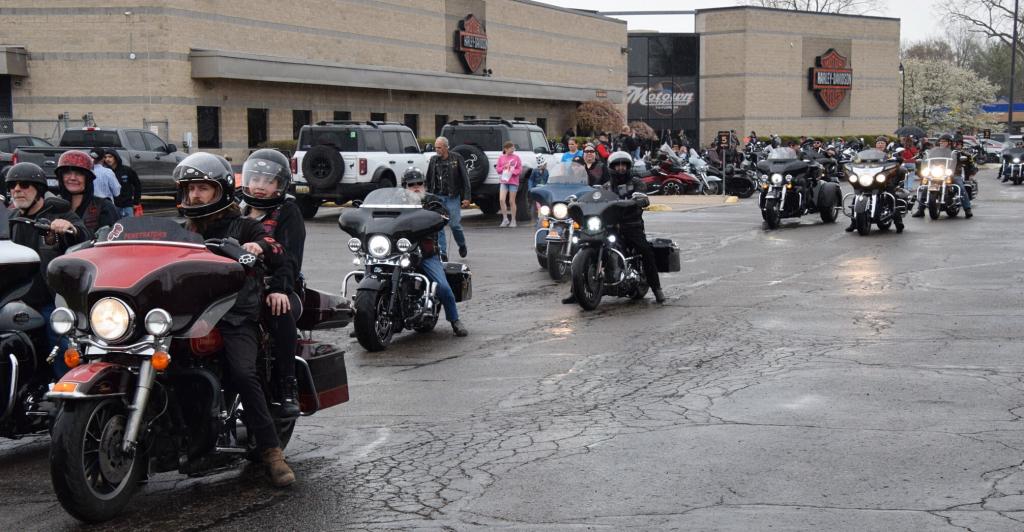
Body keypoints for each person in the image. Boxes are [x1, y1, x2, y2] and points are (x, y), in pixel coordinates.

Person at [174, 152, 295, 488]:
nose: (195, 195)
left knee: (243, 372)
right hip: (186, 315)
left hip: (234, 314)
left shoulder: (244, 225)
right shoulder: (183, 230)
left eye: (202, 188)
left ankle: (272, 451)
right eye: (190, 188)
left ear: (221, 190)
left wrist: (259, 247)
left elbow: (277, 249)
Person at [5, 162, 90, 376]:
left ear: (39, 190)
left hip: (50, 301)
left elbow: (82, 236)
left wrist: (68, 228)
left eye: (24, 185)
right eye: (13, 186)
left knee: (60, 344)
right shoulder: (10, 219)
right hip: (14, 299)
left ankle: (65, 388)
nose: (17, 189)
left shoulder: (57, 214)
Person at [240, 149, 304, 418]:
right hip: (239, 284)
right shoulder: (237, 209)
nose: (260, 186)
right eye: (256, 179)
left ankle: (288, 385)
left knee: (279, 311)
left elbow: (290, 257)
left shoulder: (287, 211)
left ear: (280, 184)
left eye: (268, 181)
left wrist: (280, 288)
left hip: (278, 284)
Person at [562, 151, 665, 305]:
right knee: (579, 248)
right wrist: (578, 201)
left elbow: (643, 196)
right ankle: (575, 291)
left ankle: (657, 289)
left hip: (631, 225)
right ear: (612, 167)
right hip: (609, 226)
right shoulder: (607, 186)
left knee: (645, 250)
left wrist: (640, 199)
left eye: (624, 165)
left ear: (628, 167)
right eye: (617, 165)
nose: (621, 168)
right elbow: (594, 198)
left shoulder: (637, 183)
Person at [401, 168, 469, 337]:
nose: (416, 187)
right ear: (404, 186)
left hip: (424, 253)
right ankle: (365, 318)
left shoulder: (433, 201)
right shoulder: (396, 202)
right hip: (398, 252)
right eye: (411, 185)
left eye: (419, 183)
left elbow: (443, 216)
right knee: (371, 274)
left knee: (443, 286)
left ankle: (455, 320)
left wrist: (439, 217)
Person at [425, 136, 471, 261]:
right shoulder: (433, 160)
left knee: (454, 225)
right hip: (437, 197)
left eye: (439, 147)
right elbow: (428, 179)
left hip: (452, 197)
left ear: (446, 147)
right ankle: (442, 253)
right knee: (439, 226)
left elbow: (465, 179)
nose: (437, 150)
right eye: (436, 147)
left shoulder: (457, 158)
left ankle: (462, 244)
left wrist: (467, 197)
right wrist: (427, 197)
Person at [56, 150, 118, 232]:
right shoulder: (53, 206)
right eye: (67, 173)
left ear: (88, 178)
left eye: (79, 173)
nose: (73, 178)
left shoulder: (105, 207)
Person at [103, 149, 142, 218]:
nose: (107, 159)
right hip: (112, 206)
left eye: (110, 157)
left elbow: (137, 185)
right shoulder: (105, 172)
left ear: (116, 157)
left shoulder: (127, 170)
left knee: (129, 224)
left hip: (127, 206)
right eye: (105, 157)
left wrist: (136, 202)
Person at [495, 141, 522, 228]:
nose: (513, 150)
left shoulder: (516, 157)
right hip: (504, 181)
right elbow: (498, 169)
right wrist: (504, 167)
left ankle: (513, 220)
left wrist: (512, 171)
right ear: (506, 149)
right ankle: (505, 219)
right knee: (501, 200)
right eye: (511, 148)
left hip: (513, 182)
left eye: (513, 148)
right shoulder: (501, 158)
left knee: (511, 201)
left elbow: (520, 169)